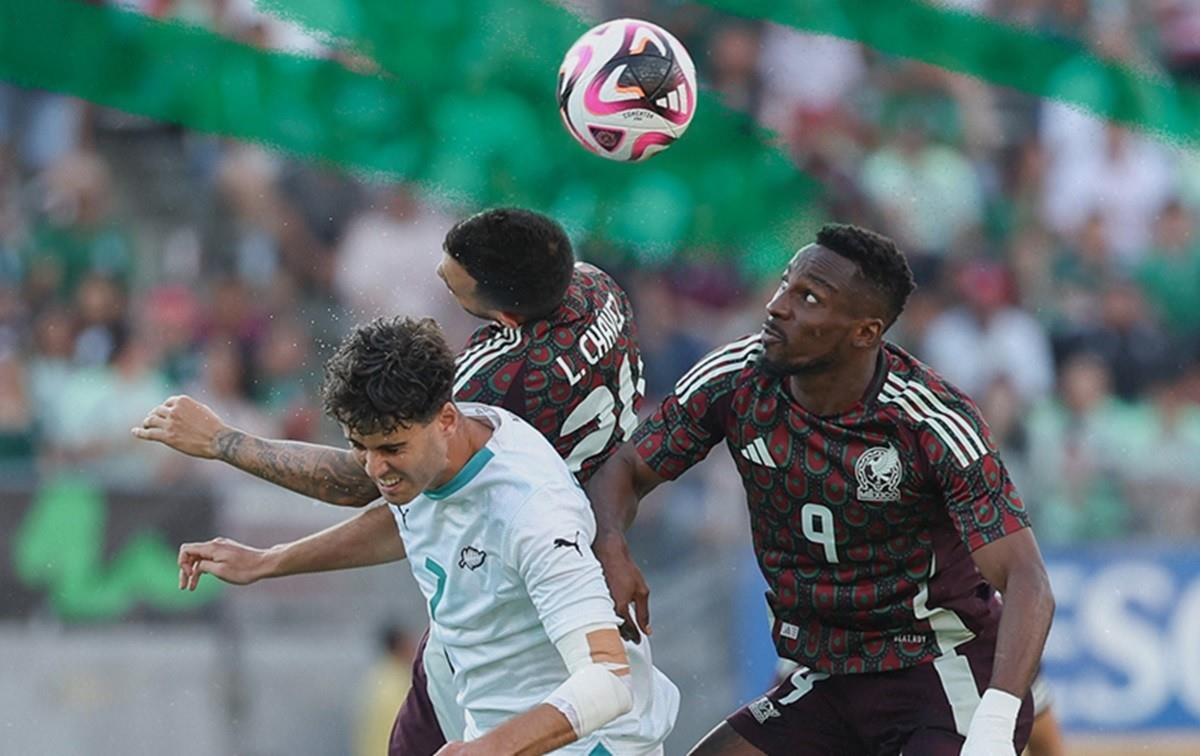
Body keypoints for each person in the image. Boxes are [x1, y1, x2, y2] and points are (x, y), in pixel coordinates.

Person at [132, 207, 645, 755]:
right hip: (515, 592)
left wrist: (223, 442)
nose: (440, 277)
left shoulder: (492, 399)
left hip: (526, 617)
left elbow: (361, 485)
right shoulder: (593, 286)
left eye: (455, 279)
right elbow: (402, 507)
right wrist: (270, 560)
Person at [587, 224, 1055, 755]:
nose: (776, 306)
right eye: (785, 284)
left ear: (864, 332)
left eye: (808, 298)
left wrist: (995, 721)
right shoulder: (738, 378)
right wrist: (610, 542)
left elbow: (1027, 580)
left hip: (938, 674)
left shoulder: (929, 420)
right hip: (829, 675)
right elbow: (625, 466)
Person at [174, 316, 678, 755]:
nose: (376, 469)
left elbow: (609, 684)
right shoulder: (433, 463)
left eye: (391, 448)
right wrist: (268, 561)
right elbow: (409, 522)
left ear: (447, 419)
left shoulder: (531, 511)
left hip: (588, 744)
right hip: (491, 729)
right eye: (360, 448)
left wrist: (491, 748)